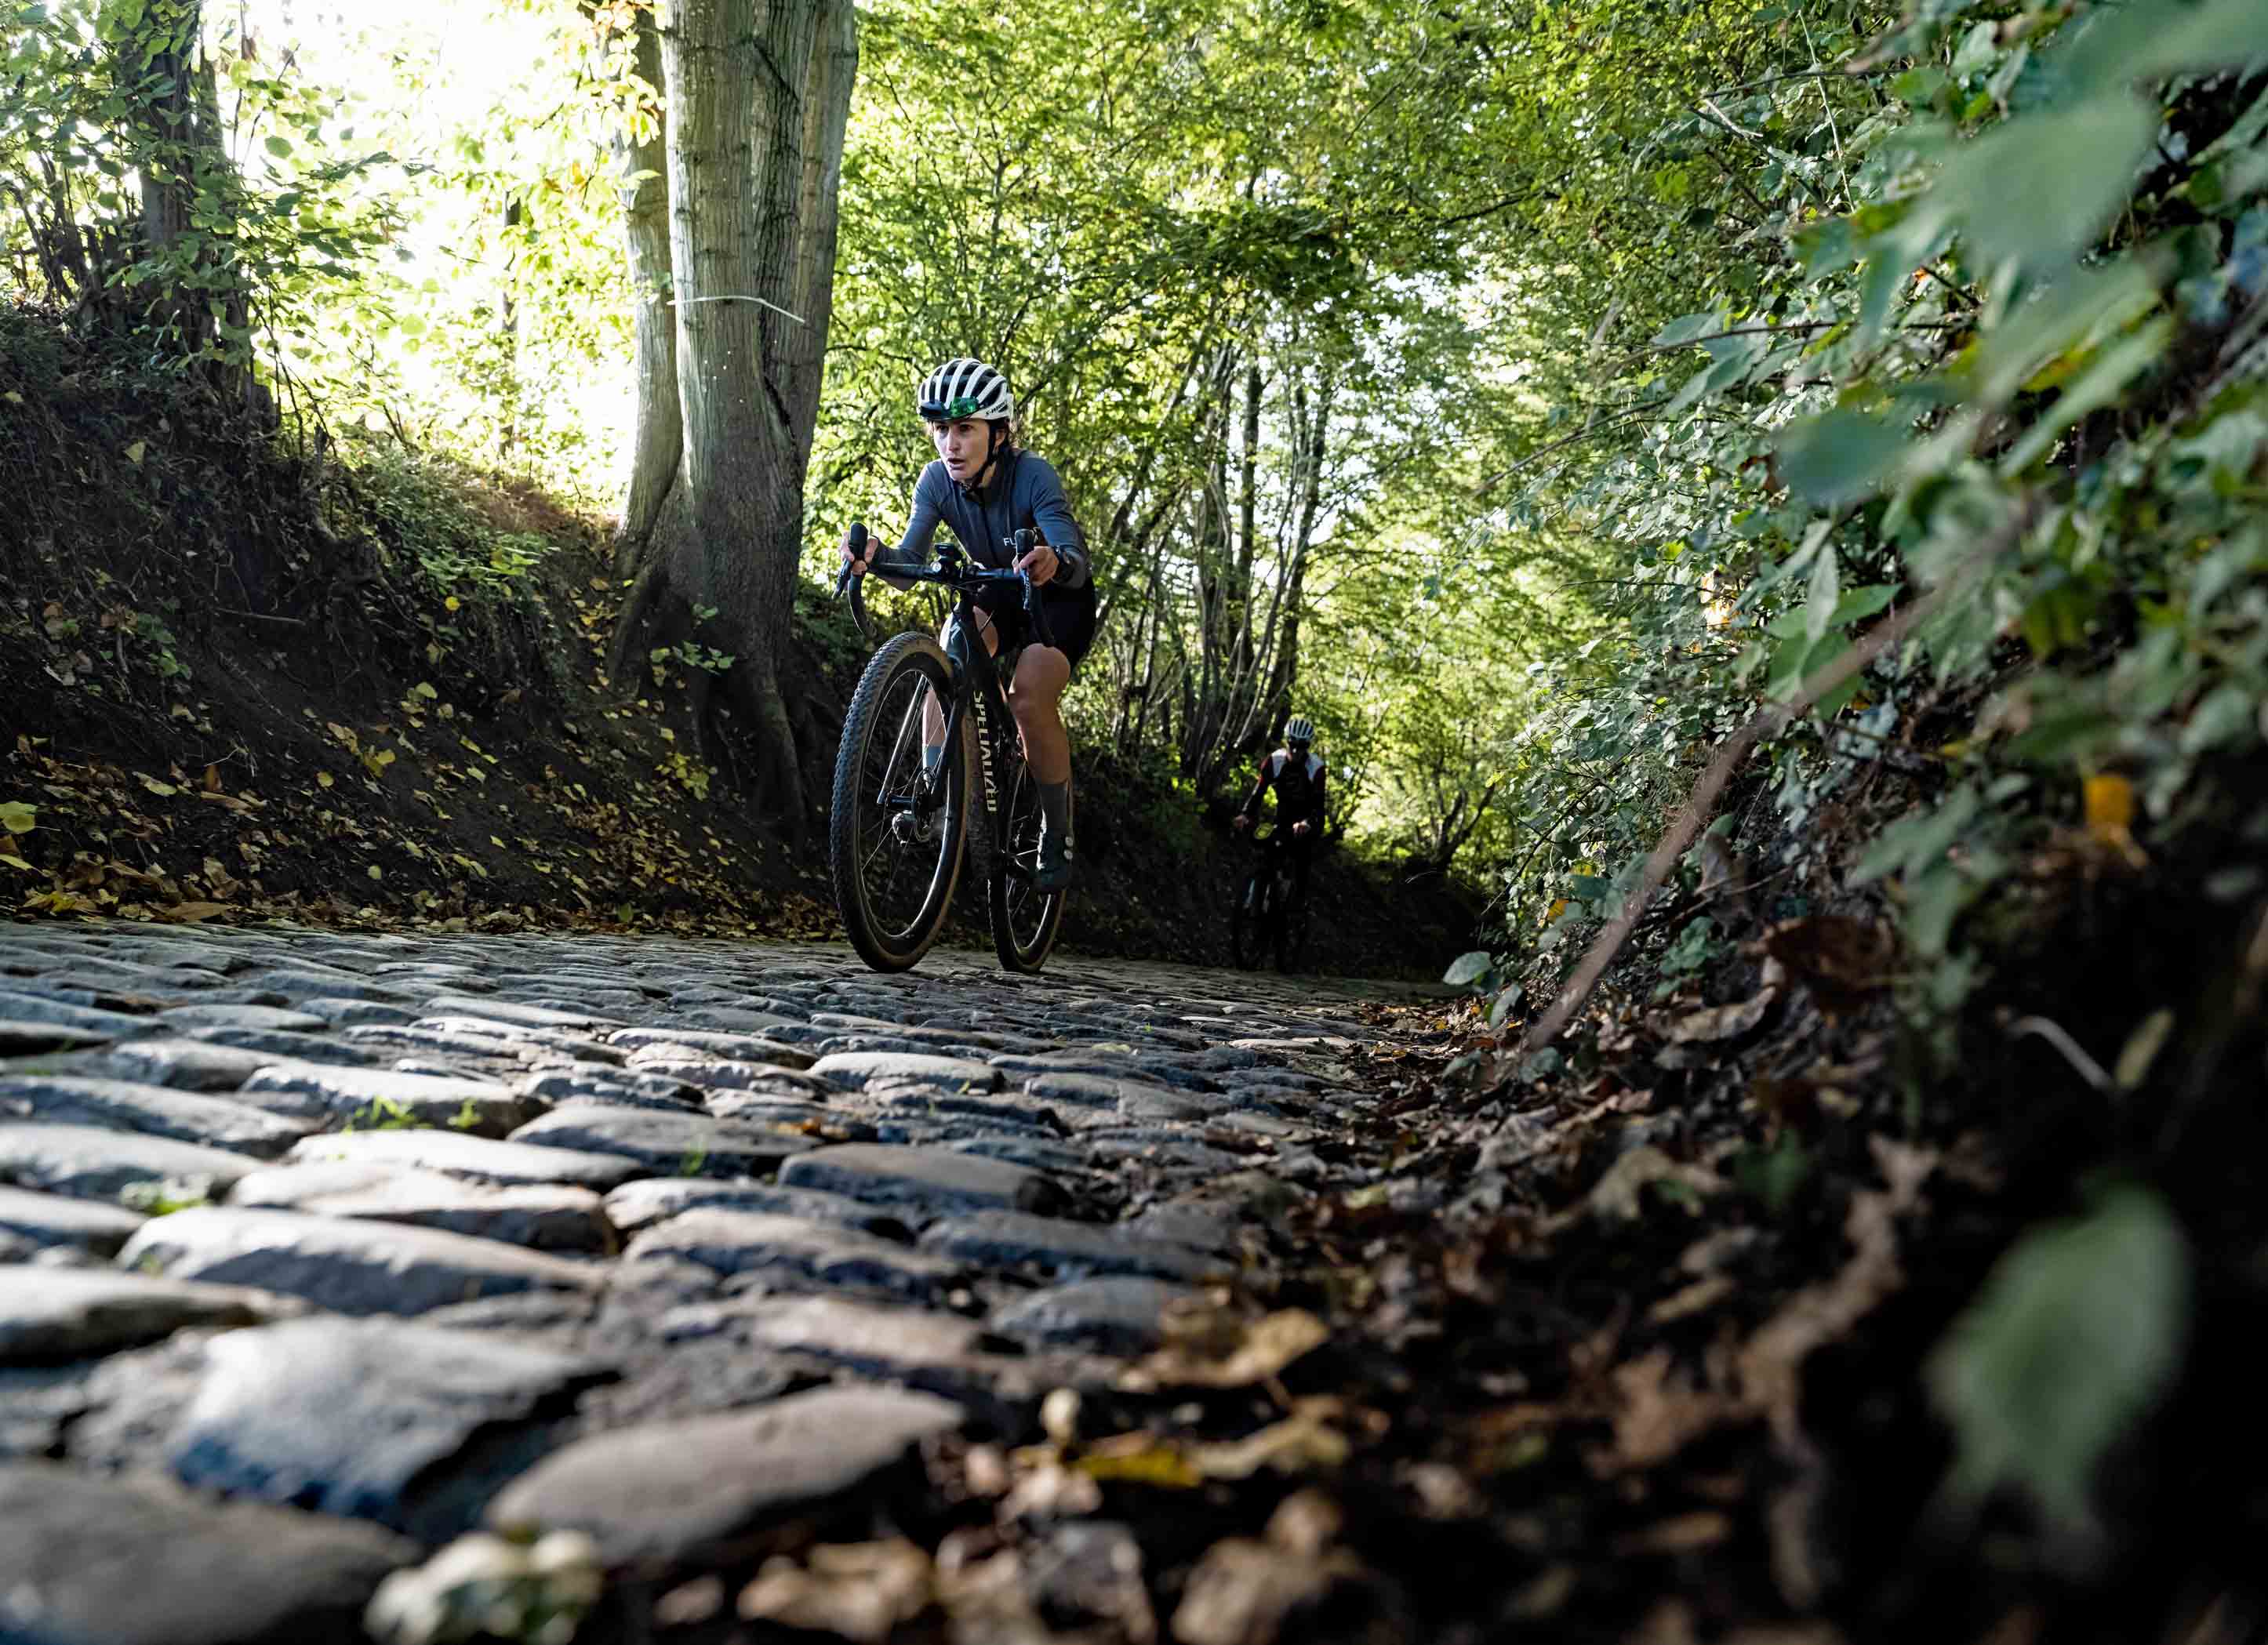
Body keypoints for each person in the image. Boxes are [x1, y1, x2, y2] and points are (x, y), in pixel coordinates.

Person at [841, 358, 1096, 891]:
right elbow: (909, 563)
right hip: (1001, 589)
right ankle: (935, 791)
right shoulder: (936, 481)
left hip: (1058, 600)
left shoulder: (1034, 475)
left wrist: (1054, 560)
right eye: (942, 431)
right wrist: (874, 555)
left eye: (964, 429)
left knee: (1027, 695)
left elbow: (1072, 554)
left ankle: (1057, 827)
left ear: (998, 433)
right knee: (951, 644)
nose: (950, 444)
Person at [1233, 715, 1327, 910]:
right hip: (1283, 816)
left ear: (1308, 746)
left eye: (1301, 746)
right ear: (1287, 741)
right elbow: (1258, 792)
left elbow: (1318, 805)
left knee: (1301, 856)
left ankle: (1298, 906)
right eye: (1292, 743)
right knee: (1266, 846)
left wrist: (1307, 822)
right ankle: (1258, 892)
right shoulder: (1274, 761)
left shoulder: (1316, 768)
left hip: (1310, 817)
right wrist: (1245, 814)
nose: (1295, 750)